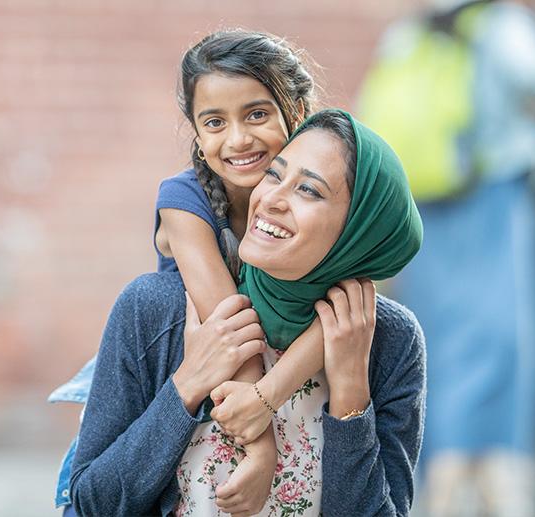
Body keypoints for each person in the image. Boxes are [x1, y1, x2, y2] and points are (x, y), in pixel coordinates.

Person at [69, 108, 425, 516]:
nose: (271, 199)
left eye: (308, 190)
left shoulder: (389, 339)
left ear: (361, 231)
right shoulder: (157, 308)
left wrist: (349, 392)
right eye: (274, 174)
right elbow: (92, 504)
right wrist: (186, 385)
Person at [52, 29, 337, 514]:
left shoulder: (324, 201)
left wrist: (270, 399)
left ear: (299, 114)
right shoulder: (185, 201)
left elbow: (348, 305)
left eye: (257, 114)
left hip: (270, 392)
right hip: (181, 381)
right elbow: (230, 323)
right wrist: (262, 443)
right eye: (214, 122)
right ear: (197, 135)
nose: (238, 138)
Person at [380, 1, 535, 514]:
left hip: (427, 208)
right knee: (502, 347)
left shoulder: (411, 34)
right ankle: (489, 488)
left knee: (437, 346)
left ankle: (434, 484)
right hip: (492, 202)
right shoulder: (501, 24)